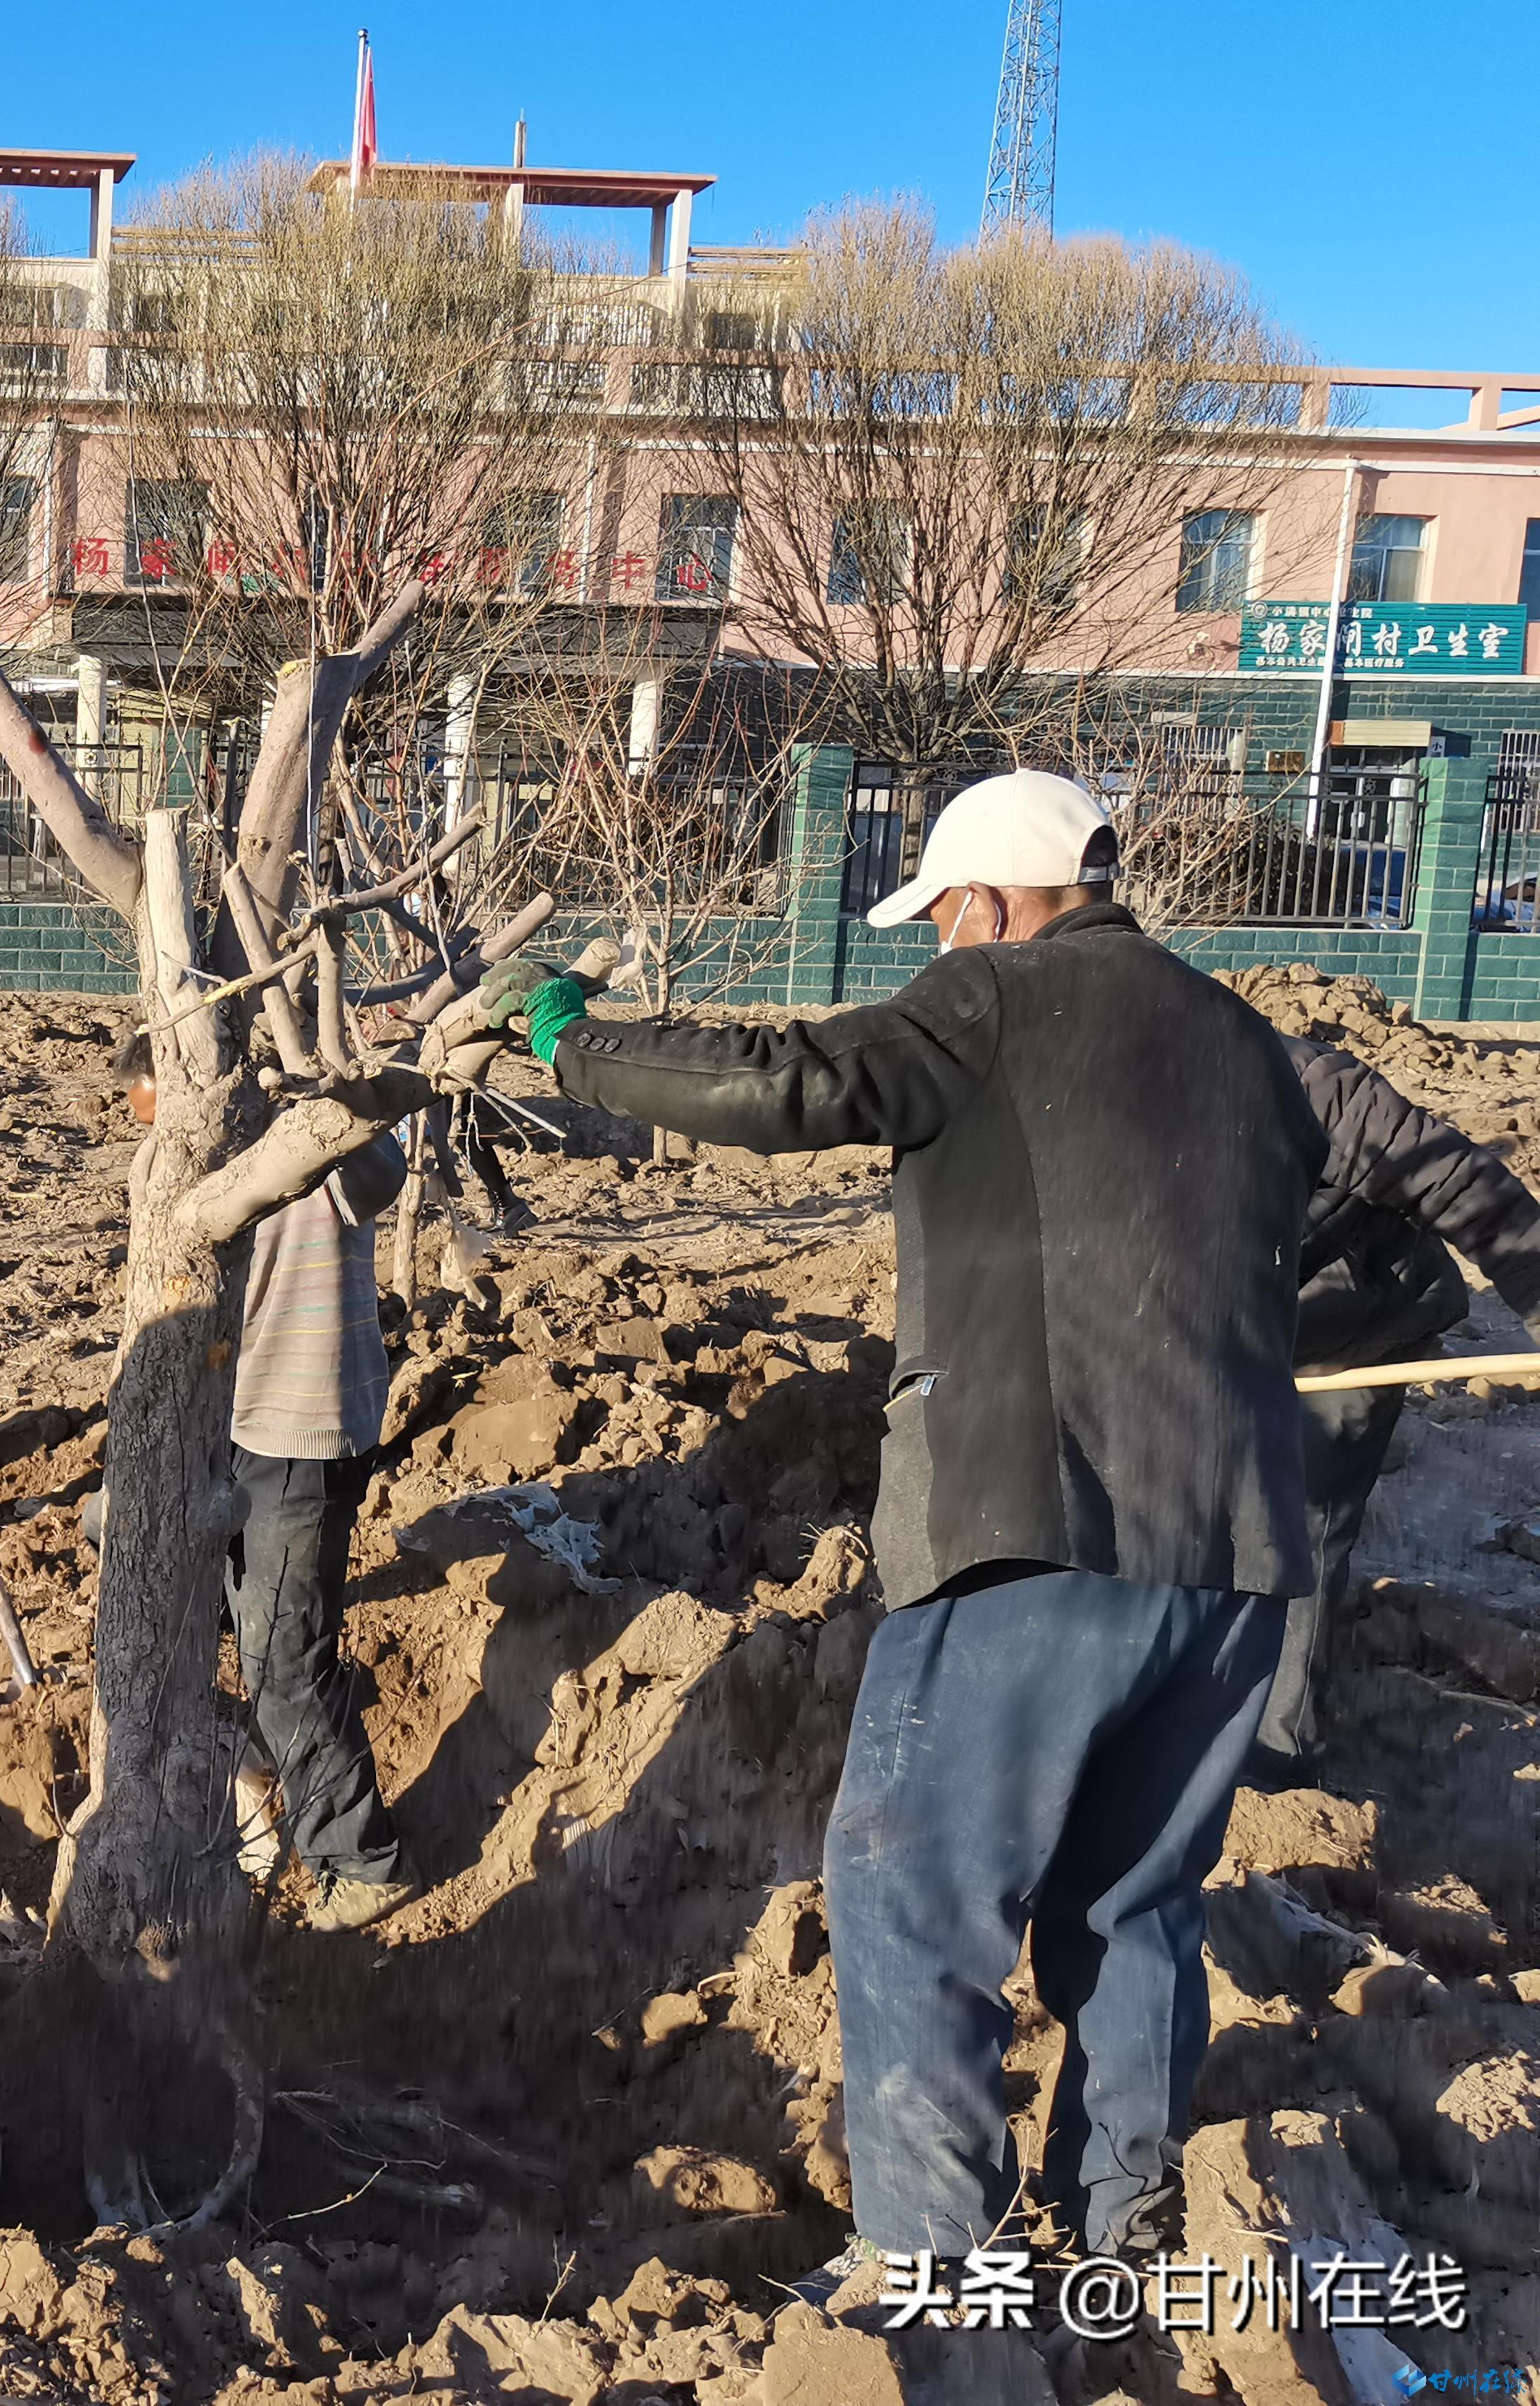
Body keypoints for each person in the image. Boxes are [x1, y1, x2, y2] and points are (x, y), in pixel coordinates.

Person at [473, 769, 1320, 2267]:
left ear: (989, 905)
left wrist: (575, 1042)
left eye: (940, 920)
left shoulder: (995, 1000)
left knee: (908, 1891)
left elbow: (786, 1078)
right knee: (1132, 1910)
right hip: (1238, 1562)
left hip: (1035, 1532)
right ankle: (1115, 2239)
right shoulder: (1248, 1044)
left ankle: (932, 2270)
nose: (938, 947)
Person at [120, 1035, 416, 1933]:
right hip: (229, 1422)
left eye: (156, 1110)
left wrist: (338, 1098)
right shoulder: (170, 1174)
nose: (155, 1137)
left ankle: (359, 1861)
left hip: (299, 1429)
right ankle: (258, 1768)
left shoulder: (307, 1154)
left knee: (285, 1658)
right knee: (202, 1613)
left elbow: (383, 1174)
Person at [1261, 1036, 1540, 1768]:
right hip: (1234, 1333)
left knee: (1299, 1525)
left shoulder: (1306, 1085)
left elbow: (1456, 1179)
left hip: (1356, 1322)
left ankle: (1280, 1752)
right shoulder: (1091, 1109)